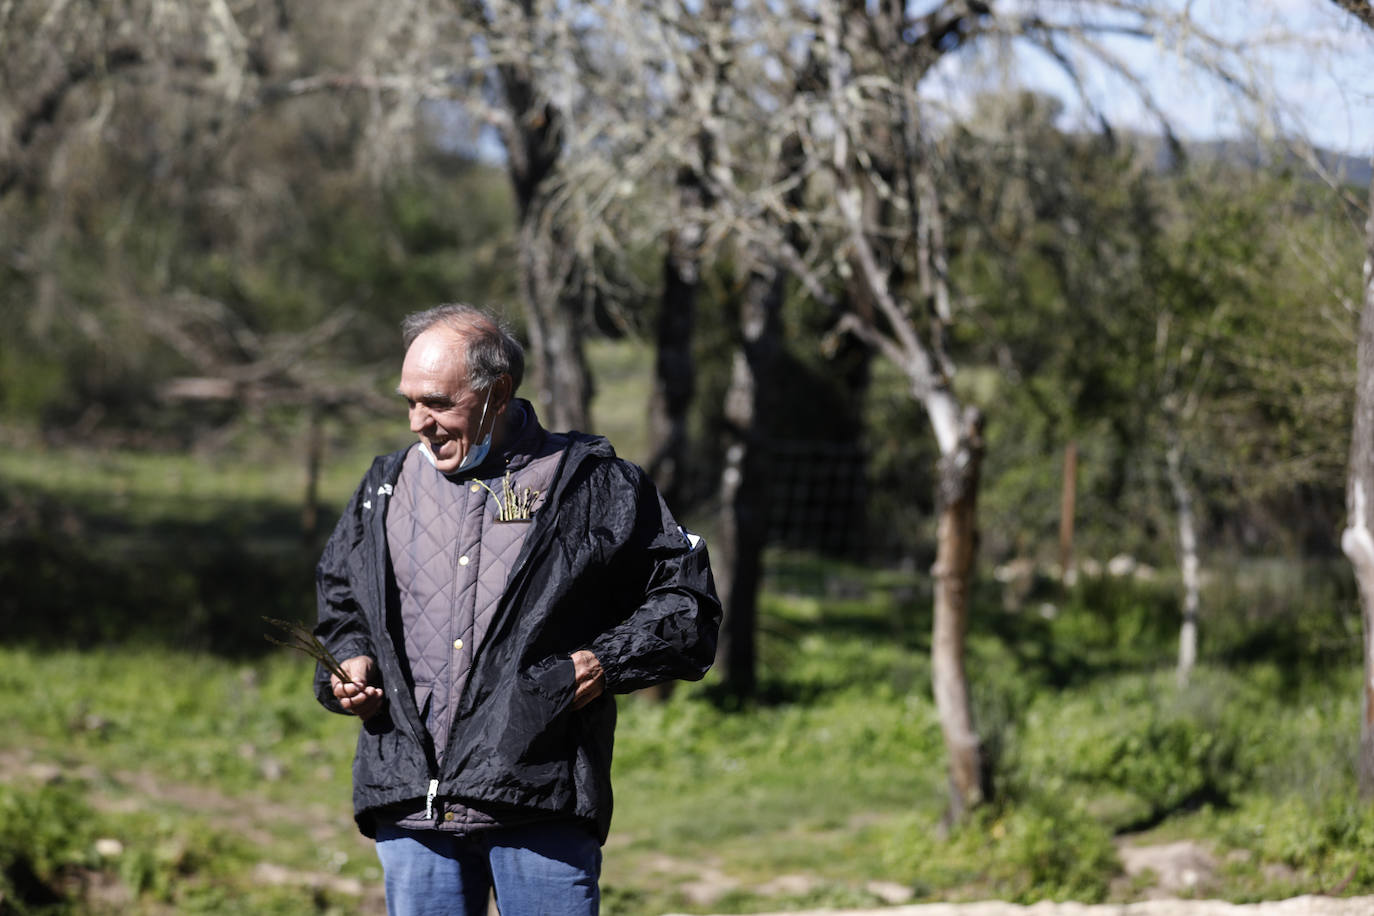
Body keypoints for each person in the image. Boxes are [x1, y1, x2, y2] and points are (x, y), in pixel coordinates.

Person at [311, 303, 720, 916]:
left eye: (438, 403)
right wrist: (350, 660)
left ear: (496, 392)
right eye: (408, 402)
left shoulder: (590, 483)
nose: (418, 422)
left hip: (538, 798)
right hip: (408, 806)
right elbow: (342, 600)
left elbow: (686, 604)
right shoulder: (383, 486)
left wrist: (603, 662)